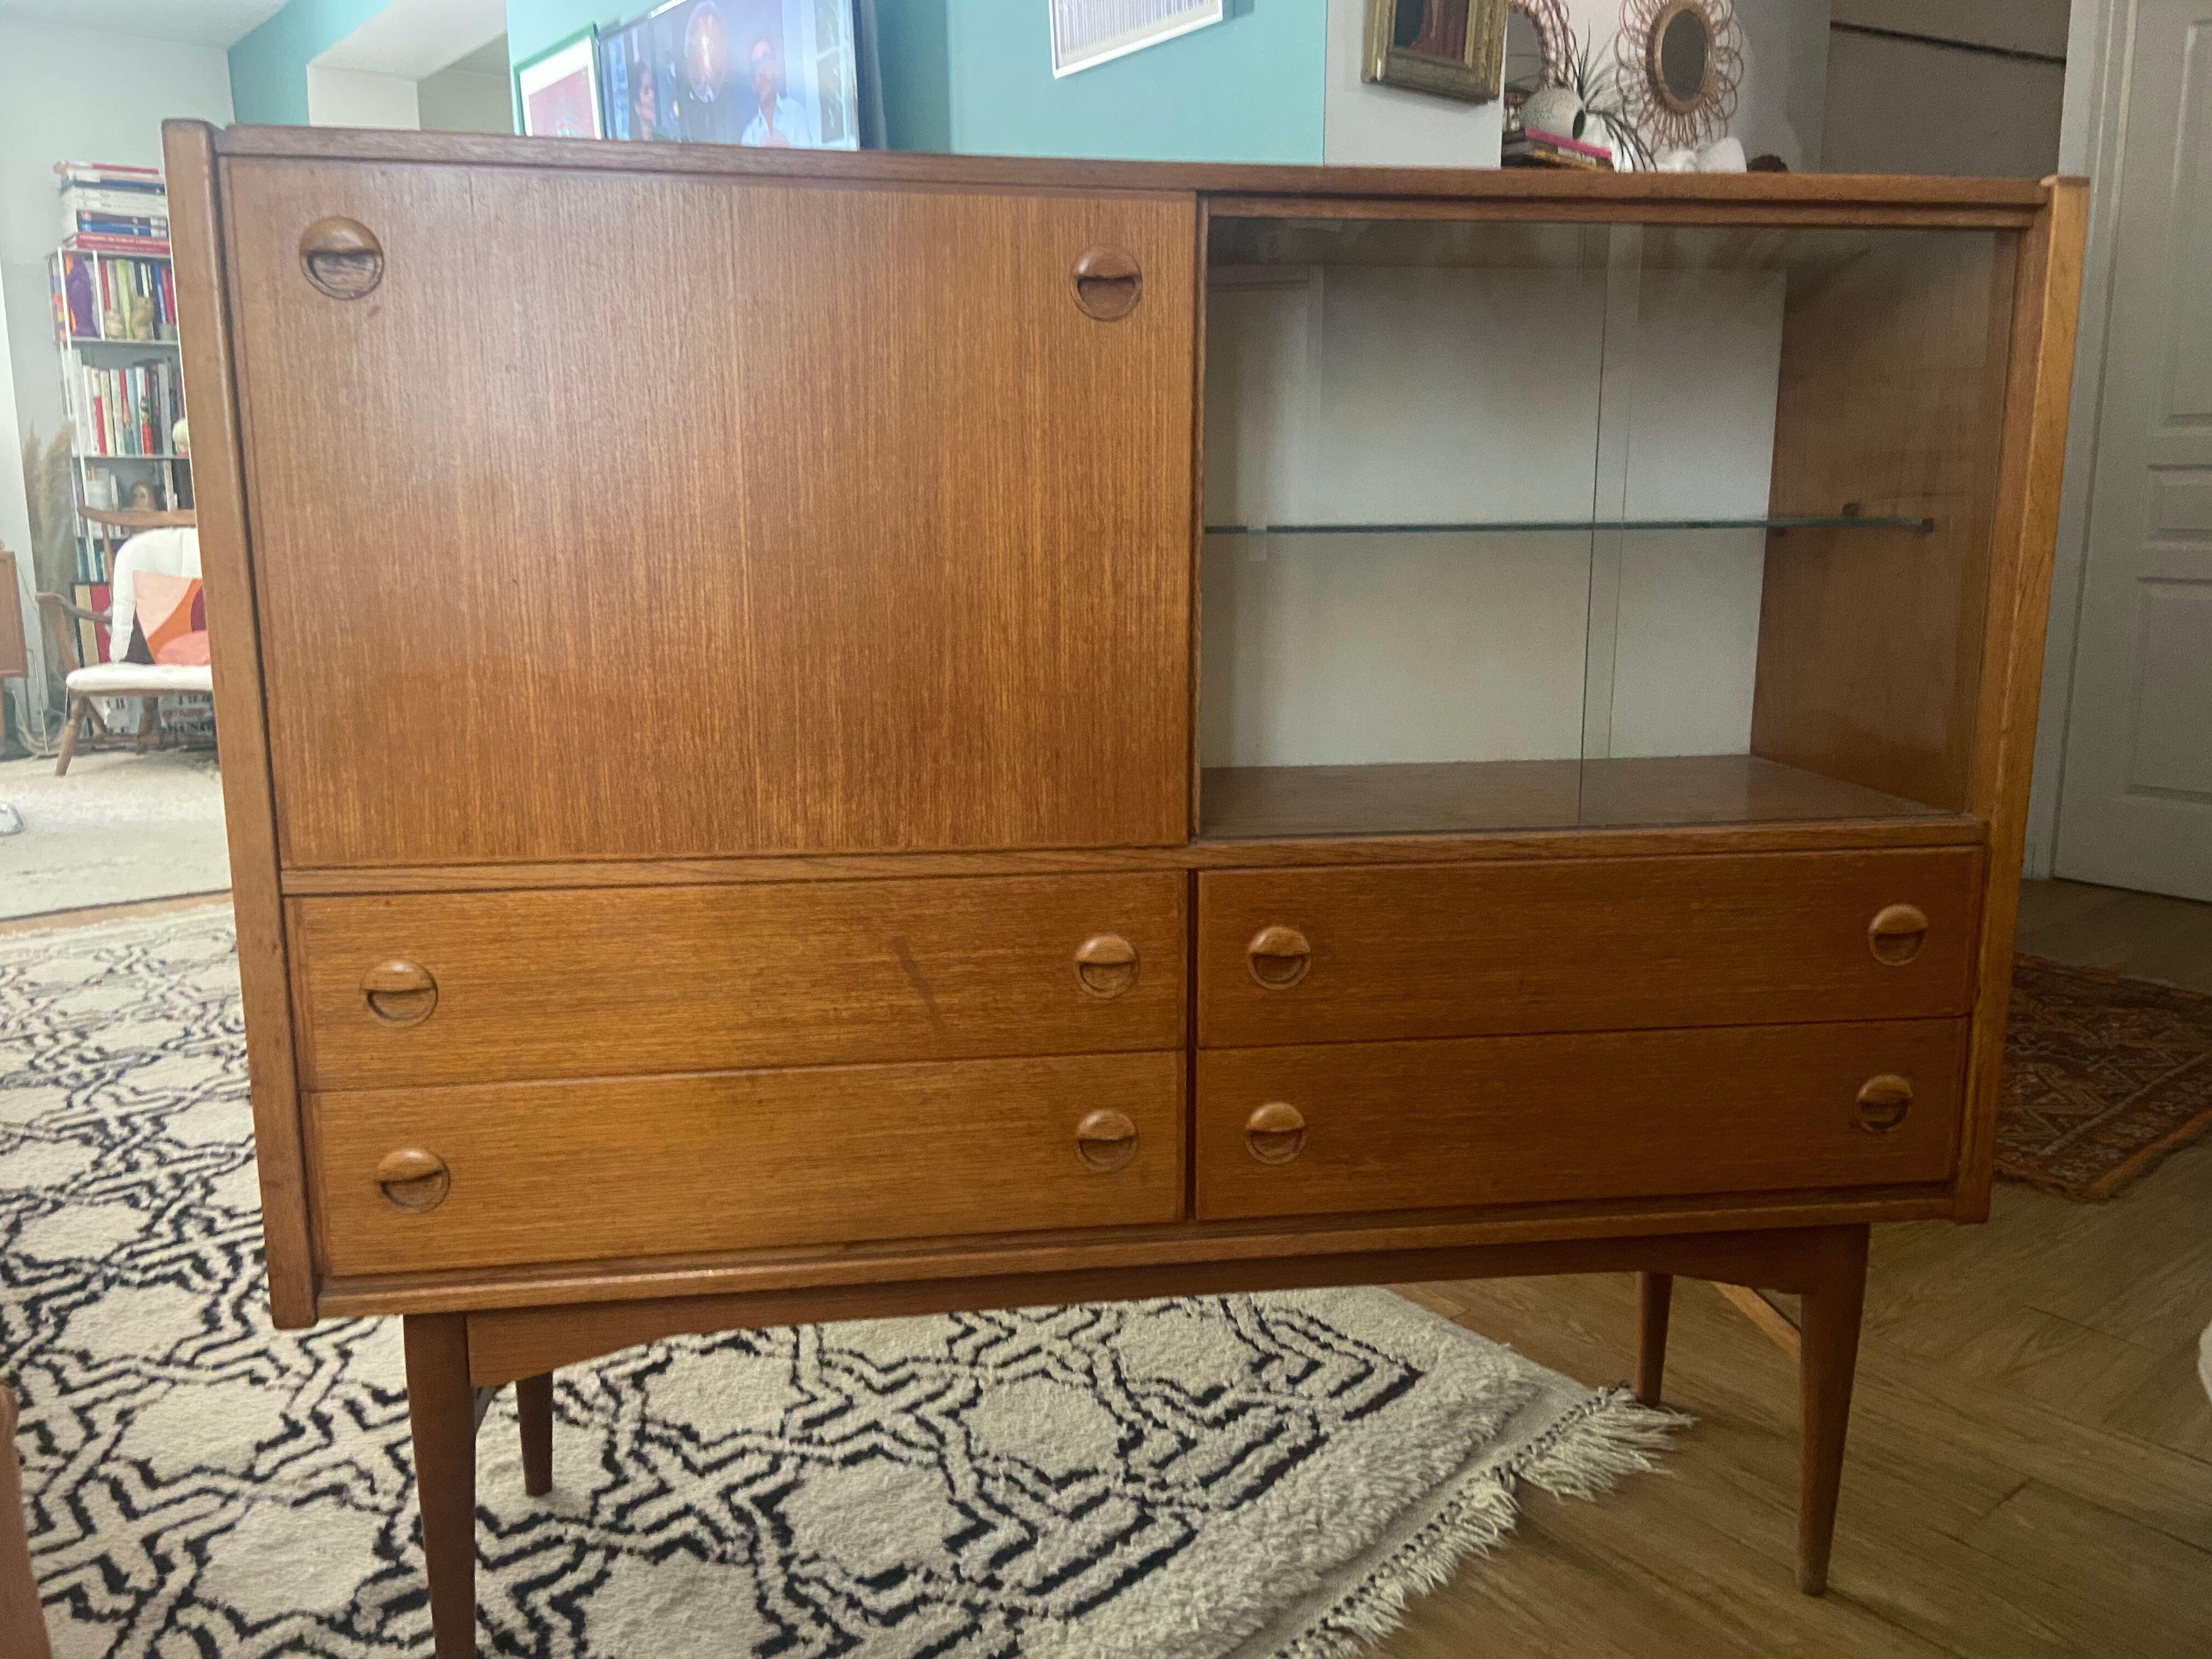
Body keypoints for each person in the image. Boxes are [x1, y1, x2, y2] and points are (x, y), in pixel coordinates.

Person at [740, 40, 817, 148]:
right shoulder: (750, 134)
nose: (762, 68)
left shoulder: (795, 112)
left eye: (766, 58)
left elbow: (807, 156)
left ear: (776, 66)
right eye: (756, 63)